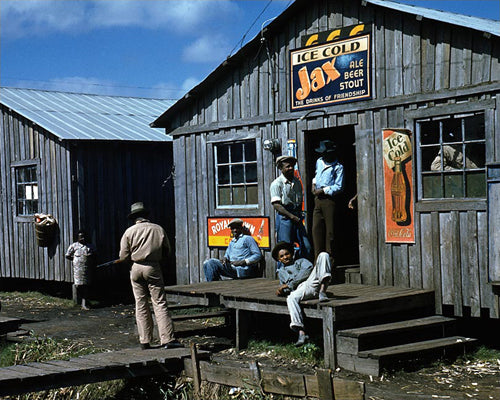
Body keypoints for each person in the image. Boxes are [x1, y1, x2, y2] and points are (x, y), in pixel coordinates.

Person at [119, 202, 181, 350]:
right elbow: (167, 251)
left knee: (140, 304)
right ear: (146, 215)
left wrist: (131, 262)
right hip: (153, 266)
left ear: (134, 217)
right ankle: (167, 339)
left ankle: (145, 340)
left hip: (135, 268)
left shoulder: (129, 232)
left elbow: (123, 255)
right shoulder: (158, 229)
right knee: (159, 302)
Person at [273, 242, 331, 346]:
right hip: (301, 290)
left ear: (291, 254)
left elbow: (307, 272)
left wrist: (289, 284)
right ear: (279, 260)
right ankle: (301, 332)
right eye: (282, 256)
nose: (285, 257)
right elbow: (286, 289)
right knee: (291, 298)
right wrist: (281, 291)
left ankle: (323, 291)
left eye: (287, 254)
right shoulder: (281, 272)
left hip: (312, 282)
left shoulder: (302, 261)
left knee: (323, 255)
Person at [270, 155, 312, 261]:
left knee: (306, 246)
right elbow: (276, 205)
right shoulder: (277, 184)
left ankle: (304, 269)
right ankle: (283, 272)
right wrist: (291, 216)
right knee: (284, 248)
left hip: (297, 216)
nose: (291, 168)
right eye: (287, 166)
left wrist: (298, 215)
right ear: (281, 168)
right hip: (285, 217)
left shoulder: (297, 182)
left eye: (292, 166)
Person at [311, 139, 344, 261]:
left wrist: (324, 190)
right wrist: (313, 185)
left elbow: (339, 187)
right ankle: (317, 260)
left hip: (329, 201)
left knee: (330, 233)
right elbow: (316, 175)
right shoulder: (319, 161)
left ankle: (330, 261)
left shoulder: (338, 167)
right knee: (316, 229)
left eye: (325, 153)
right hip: (317, 200)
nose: (323, 155)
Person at [65, 230, 96, 310]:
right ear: (77, 238)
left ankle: (84, 303)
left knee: (86, 285)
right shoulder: (74, 246)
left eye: (84, 237)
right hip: (78, 269)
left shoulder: (90, 246)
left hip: (87, 268)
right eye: (81, 237)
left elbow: (94, 255)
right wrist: (75, 260)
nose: (83, 238)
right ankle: (80, 302)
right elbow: (67, 255)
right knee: (79, 285)